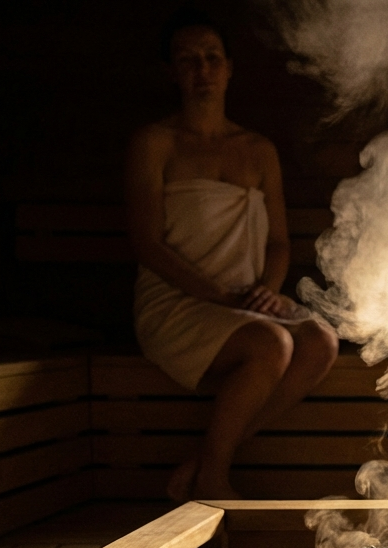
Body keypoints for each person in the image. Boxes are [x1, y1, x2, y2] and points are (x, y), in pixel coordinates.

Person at [126, 9, 340, 501]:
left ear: (228, 68)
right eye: (188, 60)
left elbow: (279, 242)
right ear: (171, 73)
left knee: (321, 341)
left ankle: (204, 460)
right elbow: (148, 245)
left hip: (245, 299)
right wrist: (220, 295)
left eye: (211, 58)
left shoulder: (258, 150)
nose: (202, 71)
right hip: (178, 302)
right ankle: (213, 479)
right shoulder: (155, 144)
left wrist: (267, 289)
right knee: (272, 344)